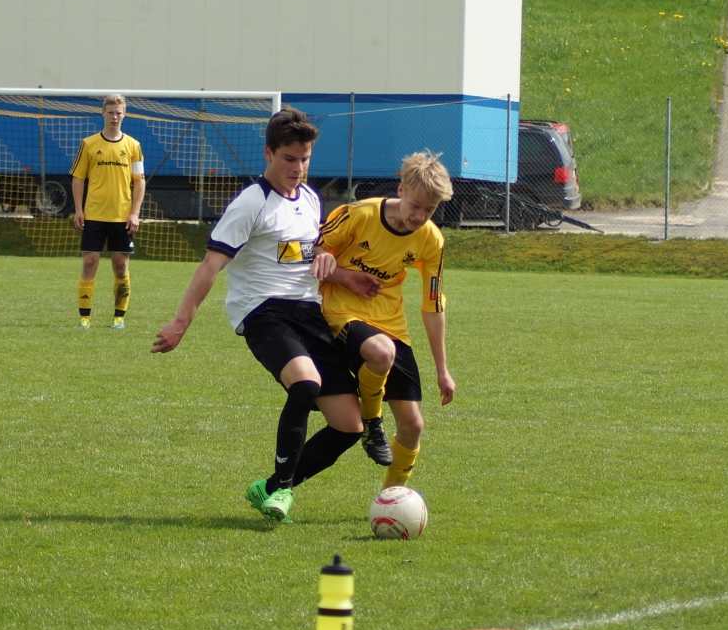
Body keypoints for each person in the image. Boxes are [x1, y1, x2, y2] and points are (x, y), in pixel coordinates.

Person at [152, 108, 363, 523]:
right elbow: (210, 266)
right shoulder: (251, 201)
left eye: (304, 159)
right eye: (289, 159)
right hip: (264, 312)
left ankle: (269, 486)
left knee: (349, 425)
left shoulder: (310, 199)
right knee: (305, 384)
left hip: (309, 313)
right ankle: (282, 490)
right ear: (269, 154)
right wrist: (180, 322)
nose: (297, 168)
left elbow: (304, 255)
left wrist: (340, 271)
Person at [318, 150, 456, 489]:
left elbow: (433, 304)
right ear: (401, 190)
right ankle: (372, 421)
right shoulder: (359, 214)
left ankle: (391, 498)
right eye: (416, 206)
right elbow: (312, 249)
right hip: (342, 313)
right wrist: (342, 275)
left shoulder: (431, 239)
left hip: (390, 323)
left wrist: (442, 370)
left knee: (413, 426)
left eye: (429, 210)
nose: (420, 216)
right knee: (381, 352)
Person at [70, 94, 146, 330]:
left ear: (125, 115)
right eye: (111, 112)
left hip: (122, 216)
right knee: (90, 261)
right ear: (103, 113)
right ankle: (84, 318)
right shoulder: (89, 144)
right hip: (93, 214)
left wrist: (134, 213)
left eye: (118, 113)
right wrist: (78, 209)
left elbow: (139, 182)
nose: (114, 117)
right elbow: (78, 178)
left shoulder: (133, 146)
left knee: (120, 265)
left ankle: (119, 318)